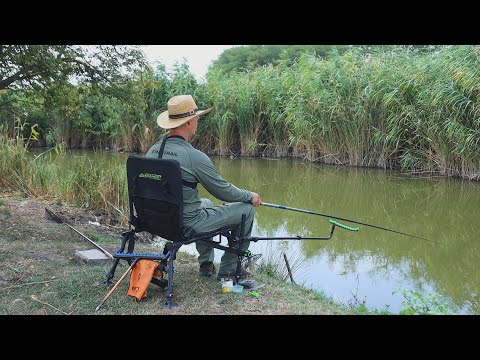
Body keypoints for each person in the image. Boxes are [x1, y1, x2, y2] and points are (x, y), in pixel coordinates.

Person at [145, 94, 263, 281]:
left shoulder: (153, 150)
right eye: (197, 118)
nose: (198, 121)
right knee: (246, 210)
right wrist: (249, 196)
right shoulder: (194, 156)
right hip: (186, 223)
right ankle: (229, 269)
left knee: (205, 202)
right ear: (190, 122)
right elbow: (222, 190)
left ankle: (206, 263)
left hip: (157, 220)